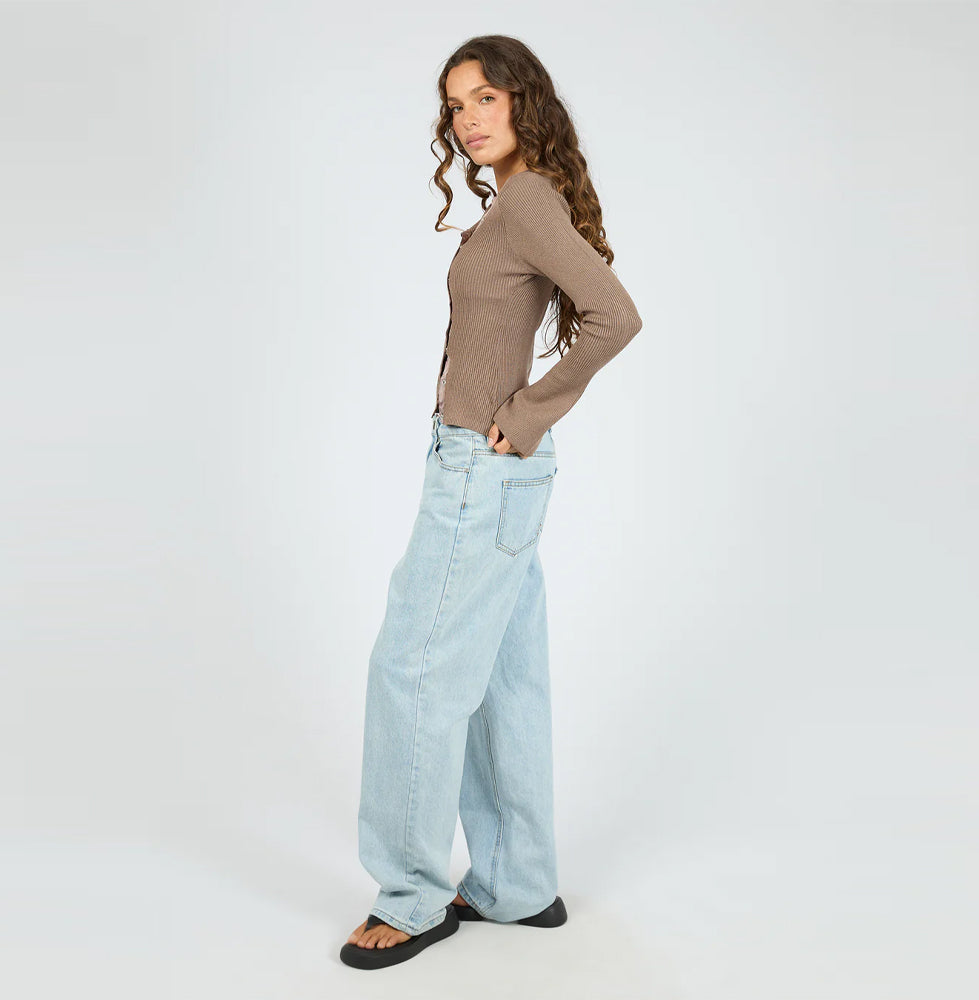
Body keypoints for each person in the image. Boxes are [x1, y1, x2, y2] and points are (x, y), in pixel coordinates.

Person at [340, 34, 642, 971]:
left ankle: (410, 896)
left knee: (413, 673)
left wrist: (528, 412)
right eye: (454, 104)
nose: (467, 119)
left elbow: (616, 316)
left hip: (481, 466)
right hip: (496, 471)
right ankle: (516, 883)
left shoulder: (528, 202)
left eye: (484, 98)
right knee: (502, 682)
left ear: (523, 100)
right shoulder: (519, 201)